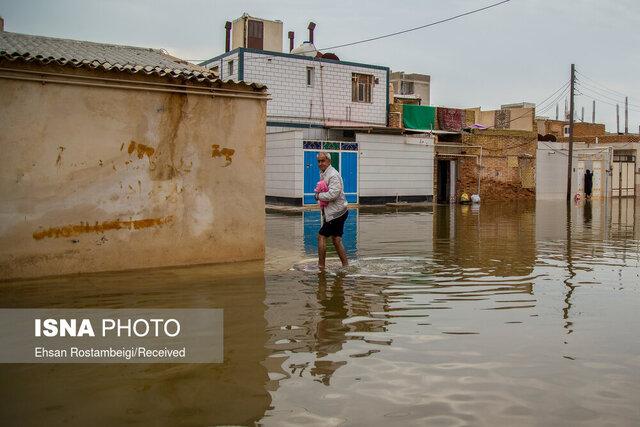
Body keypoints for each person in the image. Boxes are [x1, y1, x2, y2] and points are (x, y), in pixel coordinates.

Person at [314, 151, 349, 270]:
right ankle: (346, 266)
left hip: (336, 214)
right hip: (339, 212)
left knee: (321, 236)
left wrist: (318, 196)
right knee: (336, 240)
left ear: (329, 161)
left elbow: (334, 194)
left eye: (322, 161)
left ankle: (321, 266)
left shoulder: (333, 174)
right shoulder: (324, 173)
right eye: (318, 161)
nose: (320, 163)